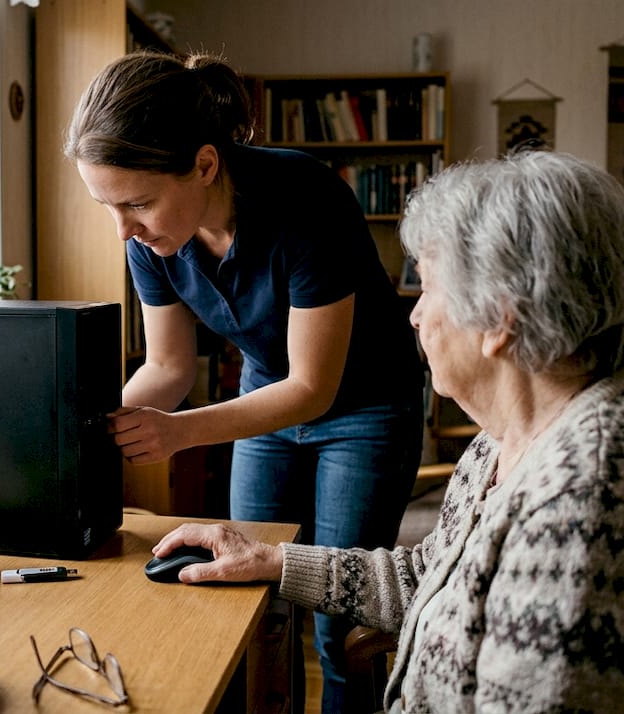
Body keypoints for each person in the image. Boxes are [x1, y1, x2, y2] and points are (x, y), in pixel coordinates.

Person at [148, 149, 624, 712]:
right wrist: (273, 561)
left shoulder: (589, 505)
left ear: (499, 320)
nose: (413, 313)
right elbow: (429, 576)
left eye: (430, 288)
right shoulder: (508, 441)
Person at [65, 50, 426, 712]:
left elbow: (313, 388)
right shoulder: (151, 240)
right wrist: (80, 428)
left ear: (204, 165)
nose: (125, 230)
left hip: (366, 406)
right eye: (107, 206)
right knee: (242, 595)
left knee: (336, 619)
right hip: (265, 399)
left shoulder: (306, 197)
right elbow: (169, 369)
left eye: (138, 203)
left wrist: (179, 434)